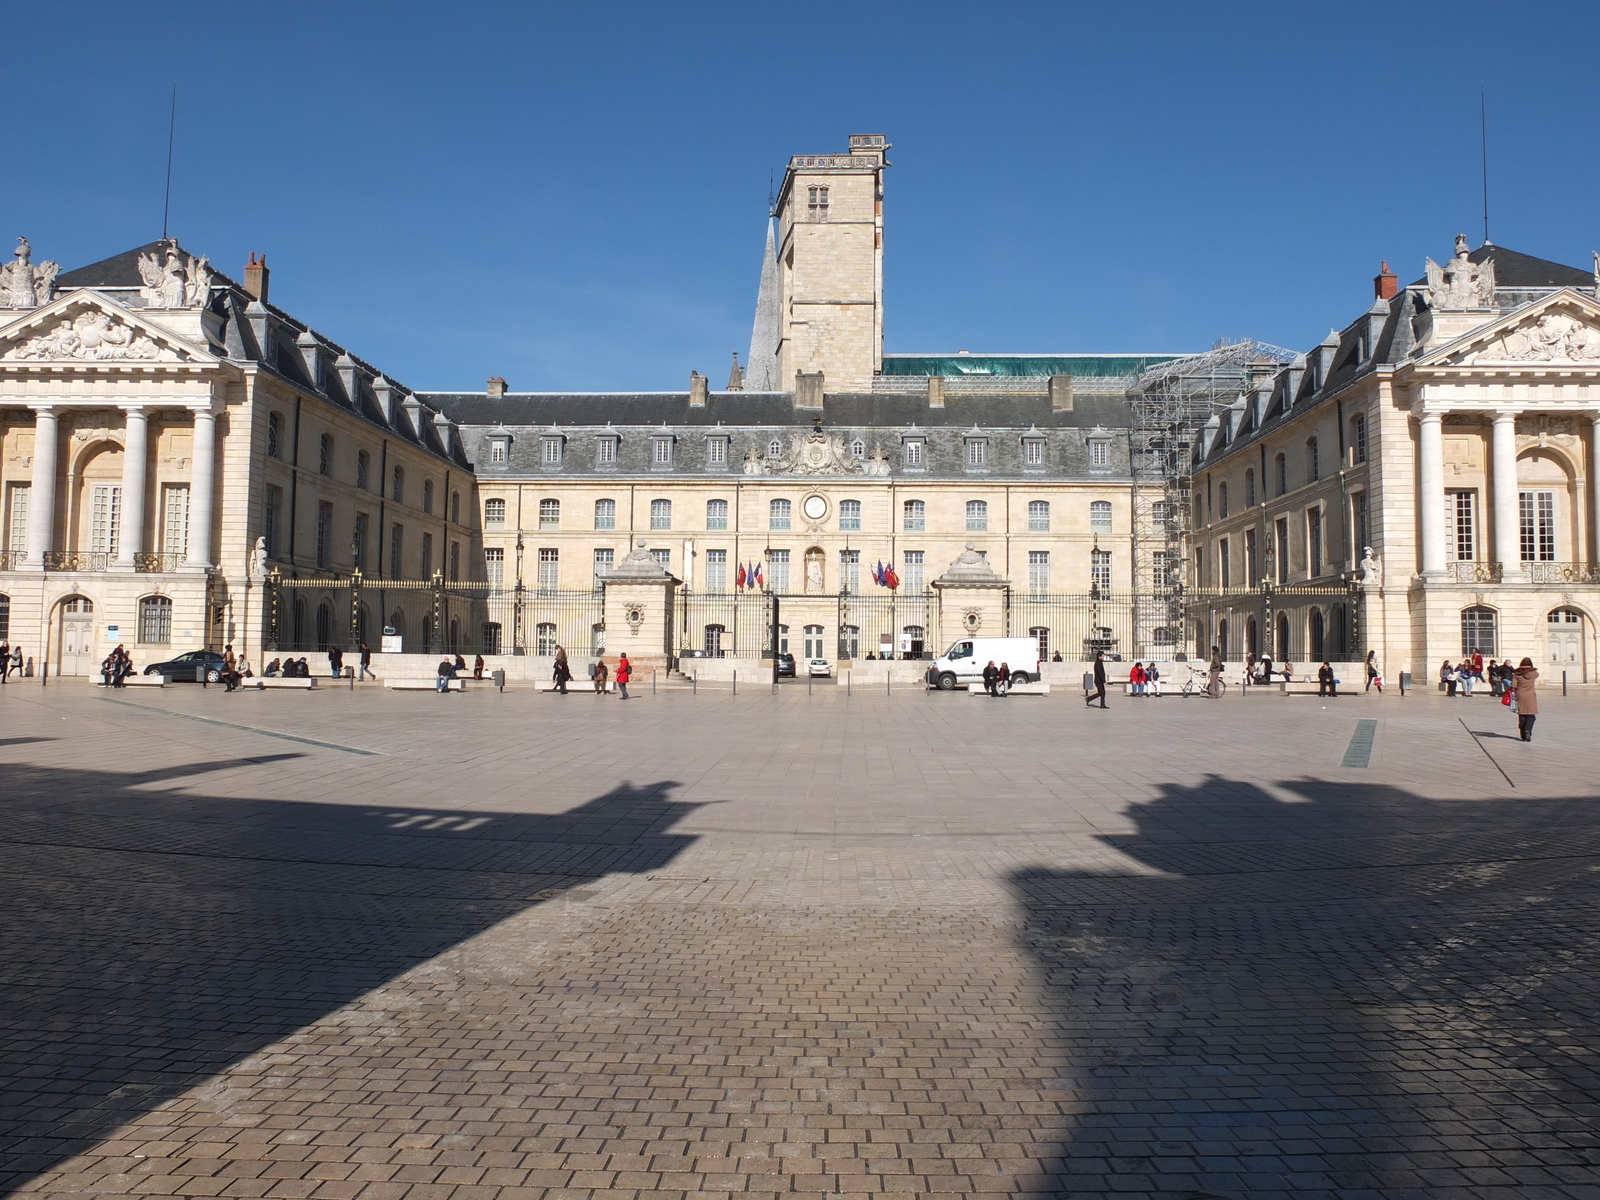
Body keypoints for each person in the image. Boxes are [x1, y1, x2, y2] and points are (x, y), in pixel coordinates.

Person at [1512, 657, 1539, 741]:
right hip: (1530, 695)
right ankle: (1528, 730)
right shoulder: (1533, 673)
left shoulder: (1517, 674)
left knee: (1522, 714)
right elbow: (1537, 674)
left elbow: (1513, 685)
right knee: (1531, 715)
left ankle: (1523, 735)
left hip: (1520, 695)